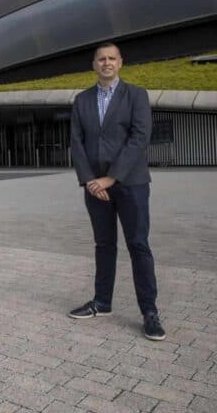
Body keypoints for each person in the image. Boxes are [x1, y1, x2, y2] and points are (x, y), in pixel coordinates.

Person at [68, 42, 165, 341]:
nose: (107, 63)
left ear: (120, 62)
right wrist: (89, 180)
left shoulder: (136, 95)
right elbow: (77, 143)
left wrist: (110, 178)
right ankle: (102, 302)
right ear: (94, 65)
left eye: (112, 58)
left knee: (138, 245)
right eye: (101, 59)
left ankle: (149, 311)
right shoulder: (82, 100)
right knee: (104, 245)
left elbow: (140, 138)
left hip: (130, 183)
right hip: (95, 187)